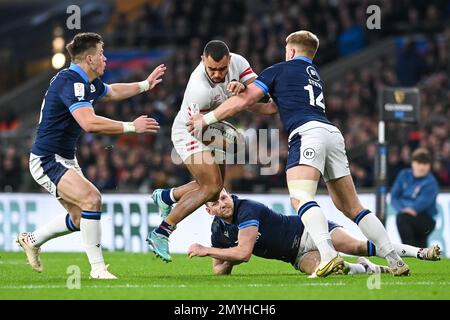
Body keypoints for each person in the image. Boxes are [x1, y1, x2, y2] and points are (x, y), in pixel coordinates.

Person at [188, 30, 410, 276]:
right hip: (332, 134)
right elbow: (272, 106)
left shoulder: (279, 69)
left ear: (291, 51)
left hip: (307, 134)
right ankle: (394, 259)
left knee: (300, 198)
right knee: (353, 207)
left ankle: (328, 256)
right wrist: (243, 94)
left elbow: (243, 102)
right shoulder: (313, 75)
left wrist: (205, 119)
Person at [17, 32, 165, 279]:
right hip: (47, 159)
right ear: (89, 59)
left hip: (64, 158)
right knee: (92, 198)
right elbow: (88, 122)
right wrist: (131, 126)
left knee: (79, 218)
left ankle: (31, 239)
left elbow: (113, 92)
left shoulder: (86, 81)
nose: (105, 58)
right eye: (101, 54)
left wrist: (145, 85)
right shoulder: (71, 82)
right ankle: (98, 269)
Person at [147, 40, 264, 262]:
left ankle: (167, 196)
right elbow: (199, 128)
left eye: (222, 68)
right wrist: (228, 142)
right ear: (203, 61)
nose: (218, 74)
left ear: (230, 60)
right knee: (211, 186)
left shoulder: (239, 63)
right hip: (190, 132)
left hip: (213, 129)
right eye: (212, 69)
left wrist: (245, 89)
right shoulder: (198, 89)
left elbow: (260, 93)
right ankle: (162, 231)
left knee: (216, 186)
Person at [188, 189, 440, 276]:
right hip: (295, 256)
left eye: (224, 197)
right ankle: (371, 269)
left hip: (308, 231)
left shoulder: (247, 209)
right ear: (209, 211)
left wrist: (206, 250)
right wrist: (222, 256)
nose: (224, 203)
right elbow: (219, 269)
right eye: (217, 203)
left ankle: (422, 252)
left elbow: (243, 254)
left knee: (356, 246)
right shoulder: (218, 230)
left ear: (228, 193)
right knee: (332, 270)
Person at [391, 148, 439, 248]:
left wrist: (406, 207)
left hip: (426, 219)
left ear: (429, 166)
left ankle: (408, 250)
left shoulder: (431, 182)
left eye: (425, 164)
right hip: (408, 215)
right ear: (413, 163)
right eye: (419, 163)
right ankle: (419, 255)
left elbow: (421, 203)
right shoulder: (404, 175)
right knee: (421, 246)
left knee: (402, 219)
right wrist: (403, 209)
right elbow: (394, 197)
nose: (422, 167)